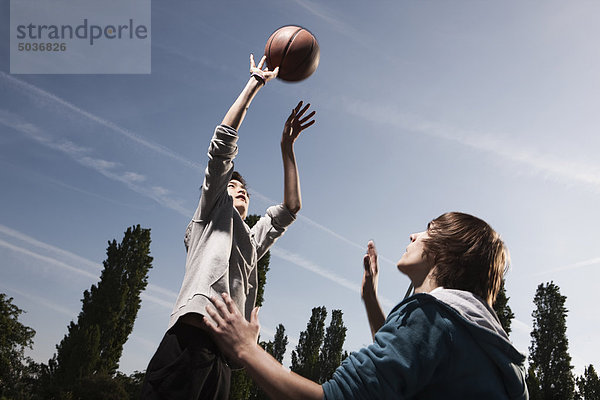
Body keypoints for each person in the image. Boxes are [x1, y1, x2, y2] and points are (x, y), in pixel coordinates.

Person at [204, 212, 529, 399]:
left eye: (429, 229)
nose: (414, 234)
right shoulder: (483, 342)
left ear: (444, 252)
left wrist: (246, 348)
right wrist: (372, 300)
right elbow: (402, 369)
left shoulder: (430, 318)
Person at [141, 54, 316, 400]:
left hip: (222, 359)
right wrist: (255, 83)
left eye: (245, 191)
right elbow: (222, 144)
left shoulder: (250, 242)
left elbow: (291, 208)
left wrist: (287, 149)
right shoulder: (210, 218)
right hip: (188, 345)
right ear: (220, 194)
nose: (241, 192)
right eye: (233, 187)